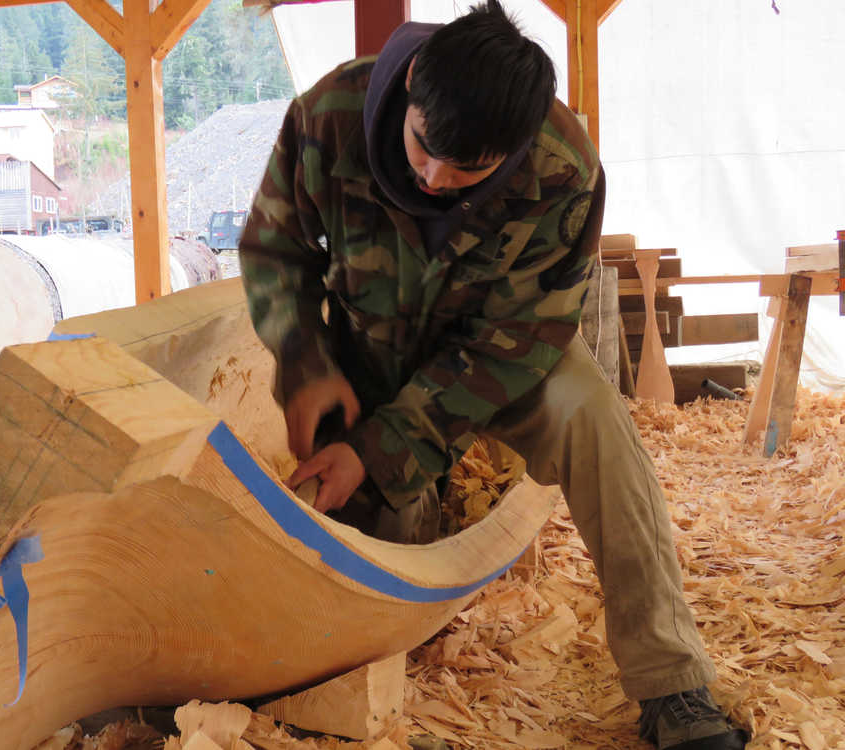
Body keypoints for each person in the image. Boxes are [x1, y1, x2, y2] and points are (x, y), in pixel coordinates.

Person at [237, 2, 748, 748]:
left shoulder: (562, 164)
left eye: (467, 167)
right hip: (364, 352)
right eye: (422, 148)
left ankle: (672, 682)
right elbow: (275, 253)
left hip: (503, 356)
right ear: (412, 82)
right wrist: (306, 364)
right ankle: (410, 523)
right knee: (353, 561)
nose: (437, 178)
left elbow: (521, 336)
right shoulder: (328, 114)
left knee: (594, 420)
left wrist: (387, 447)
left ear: (515, 145)